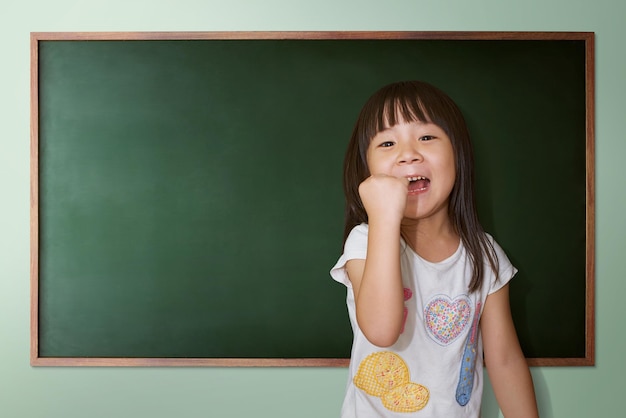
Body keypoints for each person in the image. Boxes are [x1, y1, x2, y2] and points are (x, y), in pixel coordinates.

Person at [330, 81, 539, 417]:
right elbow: (382, 330)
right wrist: (383, 216)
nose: (408, 153)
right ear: (366, 171)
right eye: (387, 142)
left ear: (458, 154)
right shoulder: (365, 241)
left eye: (426, 137)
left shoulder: (485, 256)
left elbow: (504, 359)